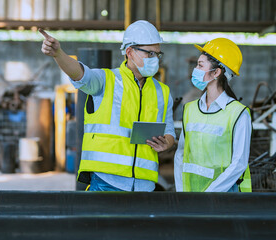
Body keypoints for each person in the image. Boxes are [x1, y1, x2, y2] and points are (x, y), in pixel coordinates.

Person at [40, 20, 176, 191]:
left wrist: (167, 143)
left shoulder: (162, 91)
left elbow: (169, 131)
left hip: (144, 184)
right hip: (107, 181)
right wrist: (58, 54)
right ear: (130, 52)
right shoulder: (107, 80)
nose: (155, 59)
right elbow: (80, 74)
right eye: (150, 54)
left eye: (158, 54)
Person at [174, 38, 252, 192]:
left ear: (216, 72)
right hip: (192, 198)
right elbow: (180, 155)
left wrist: (210, 195)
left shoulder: (238, 114)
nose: (195, 70)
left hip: (224, 201)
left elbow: (239, 163)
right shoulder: (190, 109)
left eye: (200, 65)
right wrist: (181, 193)